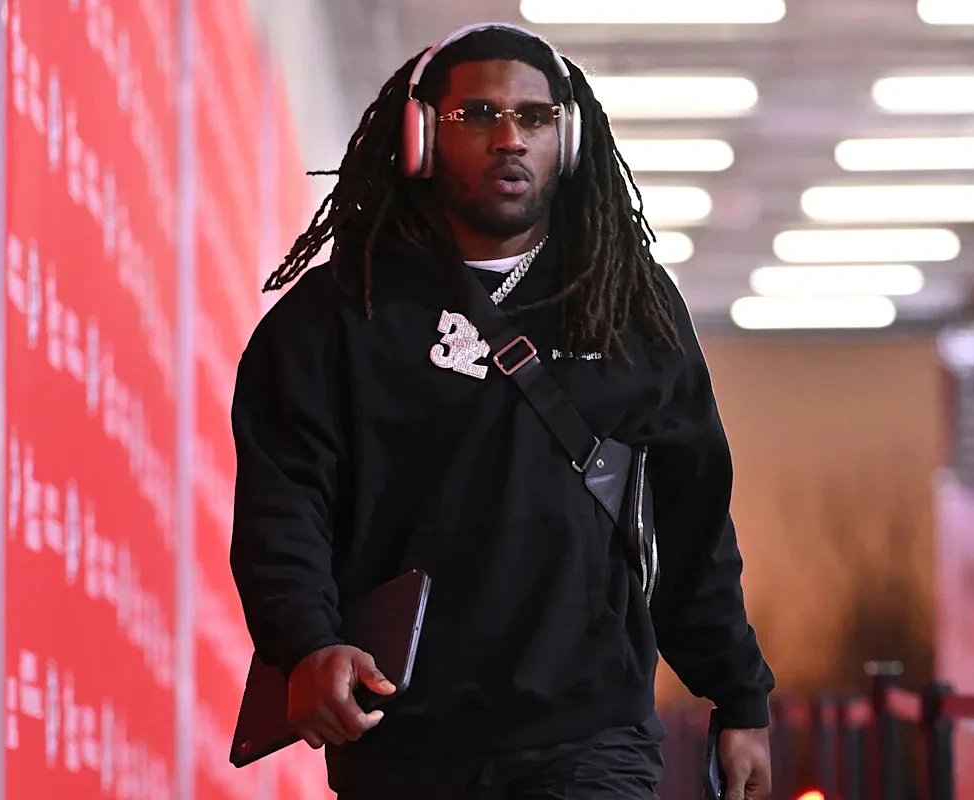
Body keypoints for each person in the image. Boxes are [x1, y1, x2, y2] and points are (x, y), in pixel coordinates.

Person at [230, 21, 776, 800]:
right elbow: (284, 504)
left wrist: (738, 693)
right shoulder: (338, 315)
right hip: (403, 743)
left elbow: (691, 521)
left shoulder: (628, 306)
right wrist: (307, 642)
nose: (510, 138)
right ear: (421, 136)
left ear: (569, 140)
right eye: (477, 115)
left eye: (535, 117)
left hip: (589, 736)